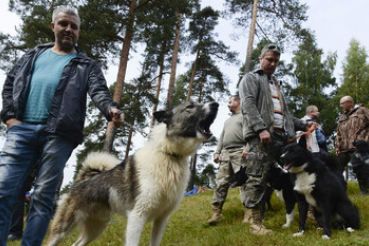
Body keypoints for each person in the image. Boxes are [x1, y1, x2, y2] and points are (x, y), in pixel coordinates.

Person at [0, 6, 124, 246]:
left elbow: (99, 91)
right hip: (21, 130)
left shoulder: (87, 65)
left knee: (43, 196)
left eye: (74, 26)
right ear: (53, 26)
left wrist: (110, 109)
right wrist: (9, 119)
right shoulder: (32, 55)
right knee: (3, 190)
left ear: (78, 32)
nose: (69, 29)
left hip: (59, 136)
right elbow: (10, 84)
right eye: (64, 24)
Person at [238, 43, 315, 235]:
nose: (273, 64)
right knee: (257, 178)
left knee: (300, 171)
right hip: (262, 137)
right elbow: (247, 105)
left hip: (283, 138)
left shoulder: (277, 84)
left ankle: (312, 213)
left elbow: (285, 114)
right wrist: (260, 129)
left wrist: (302, 124)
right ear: (261, 59)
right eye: (269, 59)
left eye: (276, 61)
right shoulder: (251, 78)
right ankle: (255, 224)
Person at [208, 95, 249, 225]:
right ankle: (216, 213)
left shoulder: (245, 117)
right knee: (221, 183)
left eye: (230, 101)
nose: (227, 104)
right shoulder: (227, 121)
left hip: (240, 153)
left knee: (244, 183)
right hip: (225, 154)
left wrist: (247, 148)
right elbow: (222, 137)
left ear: (238, 102)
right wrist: (217, 152)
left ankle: (249, 214)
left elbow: (251, 134)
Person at [335, 95, 369, 194]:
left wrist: (366, 140)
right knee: (337, 169)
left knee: (360, 169)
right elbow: (338, 133)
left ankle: (364, 191)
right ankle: (337, 191)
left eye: (342, 103)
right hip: (343, 148)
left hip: (358, 147)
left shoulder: (362, 111)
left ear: (350, 103)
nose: (341, 106)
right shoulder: (342, 117)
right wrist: (337, 147)